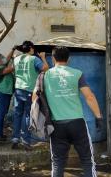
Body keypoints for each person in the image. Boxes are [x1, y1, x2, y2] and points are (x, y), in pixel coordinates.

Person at [41, 46, 103, 177]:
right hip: (77, 124)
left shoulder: (45, 75)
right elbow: (89, 96)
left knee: (58, 162)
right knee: (87, 160)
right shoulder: (77, 73)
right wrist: (98, 117)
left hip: (56, 125)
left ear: (53, 58)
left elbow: (35, 98)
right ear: (69, 59)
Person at [12, 41, 49, 149]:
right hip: (29, 90)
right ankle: (26, 141)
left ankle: (15, 138)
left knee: (18, 114)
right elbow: (45, 69)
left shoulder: (16, 59)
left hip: (18, 89)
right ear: (31, 49)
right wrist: (43, 57)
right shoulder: (34, 59)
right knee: (27, 115)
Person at [0, 47, 16, 141]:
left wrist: (13, 49)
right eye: (1, 58)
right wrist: (16, 60)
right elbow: (11, 69)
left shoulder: (3, 65)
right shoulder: (0, 68)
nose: (4, 59)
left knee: (3, 113)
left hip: (6, 93)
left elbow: (7, 58)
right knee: (2, 114)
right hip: (3, 94)